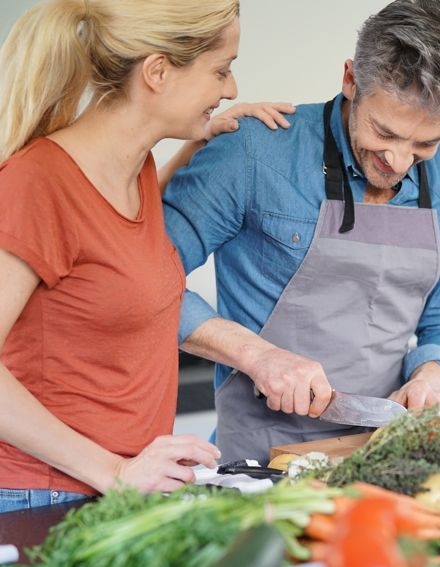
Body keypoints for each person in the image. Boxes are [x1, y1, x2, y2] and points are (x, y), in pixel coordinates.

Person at [0, 0, 292, 512]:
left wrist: (196, 142)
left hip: (114, 493)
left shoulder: (133, 174)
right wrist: (115, 471)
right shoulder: (36, 183)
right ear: (157, 72)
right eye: (221, 71)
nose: (231, 90)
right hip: (40, 497)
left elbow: (111, 260)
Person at [164, 0, 440, 461]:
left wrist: (431, 377)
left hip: (387, 452)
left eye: (425, 144)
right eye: (385, 133)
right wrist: (256, 356)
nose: (397, 161)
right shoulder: (253, 152)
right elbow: (147, 280)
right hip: (264, 460)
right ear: (351, 79)